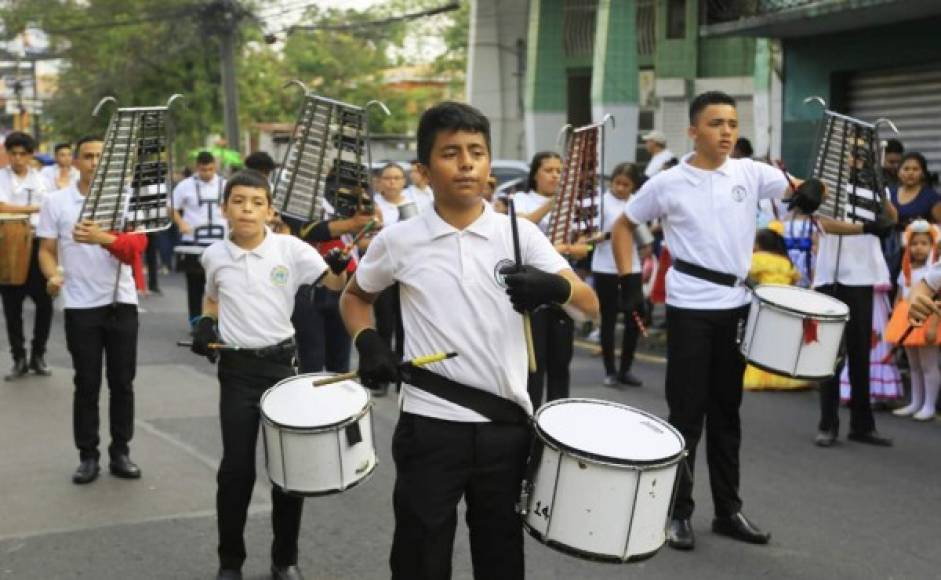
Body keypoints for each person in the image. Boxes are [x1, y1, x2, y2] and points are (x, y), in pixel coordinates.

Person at [340, 101, 598, 580]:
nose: (466, 163)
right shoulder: (400, 240)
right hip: (430, 424)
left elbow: (589, 305)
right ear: (424, 170)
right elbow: (355, 297)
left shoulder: (519, 235)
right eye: (451, 152)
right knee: (420, 555)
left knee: (500, 555)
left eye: (477, 152)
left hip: (505, 426)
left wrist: (555, 287)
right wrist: (369, 341)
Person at [611, 91, 820, 551]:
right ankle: (675, 513)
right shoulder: (669, 182)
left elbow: (800, 189)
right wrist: (630, 280)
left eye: (732, 123)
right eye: (716, 123)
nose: (727, 131)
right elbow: (623, 225)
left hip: (736, 307)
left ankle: (728, 511)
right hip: (690, 308)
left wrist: (811, 191)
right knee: (686, 416)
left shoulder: (751, 172)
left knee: (728, 414)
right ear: (692, 131)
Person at [190, 170, 348, 580]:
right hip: (237, 373)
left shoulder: (291, 250)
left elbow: (332, 284)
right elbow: (211, 298)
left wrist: (340, 265)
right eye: (239, 201)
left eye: (256, 202)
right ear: (224, 208)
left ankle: (285, 560)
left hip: (282, 370)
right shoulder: (213, 255)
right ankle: (230, 562)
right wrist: (206, 325)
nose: (247, 209)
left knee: (287, 471)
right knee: (236, 471)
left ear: (270, 210)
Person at [36, 135, 146, 484]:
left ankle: (121, 451)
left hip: (122, 303)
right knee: (86, 382)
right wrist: (52, 276)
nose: (95, 162)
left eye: (101, 156)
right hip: (81, 305)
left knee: (123, 382)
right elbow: (46, 250)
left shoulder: (129, 200)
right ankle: (88, 455)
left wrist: (103, 238)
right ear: (76, 161)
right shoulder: (56, 201)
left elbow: (138, 246)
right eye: (88, 156)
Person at [812, 144, 898, 448]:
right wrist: (865, 227)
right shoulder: (826, 183)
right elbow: (823, 222)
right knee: (831, 354)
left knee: (861, 352)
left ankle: (862, 425)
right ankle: (828, 424)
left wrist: (880, 185)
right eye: (853, 154)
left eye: (864, 155)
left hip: (862, 277)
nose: (858, 160)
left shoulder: (872, 185)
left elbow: (892, 217)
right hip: (831, 277)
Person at [513, 151, 578, 407]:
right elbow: (521, 227)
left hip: (563, 288)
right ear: (535, 174)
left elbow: (584, 242)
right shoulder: (520, 199)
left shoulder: (573, 205)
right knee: (534, 363)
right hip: (533, 289)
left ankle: (558, 423)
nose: (555, 176)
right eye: (548, 170)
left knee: (561, 362)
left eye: (559, 171)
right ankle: (531, 421)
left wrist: (582, 248)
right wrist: (552, 204)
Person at [589, 162, 650, 387]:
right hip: (605, 267)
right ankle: (610, 370)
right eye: (617, 183)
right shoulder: (601, 202)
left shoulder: (637, 203)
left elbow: (643, 233)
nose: (621, 188)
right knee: (609, 319)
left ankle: (626, 368)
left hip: (631, 267)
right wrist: (605, 235)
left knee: (635, 318)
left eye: (626, 184)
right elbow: (590, 233)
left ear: (633, 186)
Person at [0, 131, 52, 379]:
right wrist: (35, 207)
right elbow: (1, 206)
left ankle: (38, 355)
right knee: (12, 306)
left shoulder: (43, 180)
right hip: (9, 244)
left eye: (23, 154)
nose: (18, 158)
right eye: (13, 153)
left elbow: (52, 209)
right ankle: (18, 357)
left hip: (39, 243)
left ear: (31, 155)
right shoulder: (1, 177)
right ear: (8, 154)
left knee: (44, 303)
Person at [885, 220, 940, 421]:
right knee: (913, 364)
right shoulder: (906, 270)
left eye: (924, 243)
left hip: (926, 317)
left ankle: (929, 405)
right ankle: (915, 402)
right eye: (915, 243)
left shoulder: (933, 272)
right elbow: (900, 295)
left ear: (933, 246)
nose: (918, 247)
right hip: (906, 317)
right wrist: (894, 318)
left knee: (928, 364)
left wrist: (933, 324)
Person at [742, 226, 808, 391]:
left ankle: (760, 377)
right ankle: (783, 378)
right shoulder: (786, 262)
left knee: (760, 342)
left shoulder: (756, 259)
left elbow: (745, 275)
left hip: (765, 306)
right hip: (786, 306)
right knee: (781, 343)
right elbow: (795, 280)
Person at [172, 151, 227, 326]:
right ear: (197, 167)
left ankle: (219, 320)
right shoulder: (185, 186)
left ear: (215, 167)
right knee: (195, 283)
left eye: (210, 169)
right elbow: (172, 207)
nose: (207, 173)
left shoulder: (226, 185)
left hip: (220, 242)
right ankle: (195, 320)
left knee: (222, 283)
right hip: (193, 242)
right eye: (203, 170)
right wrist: (181, 223)